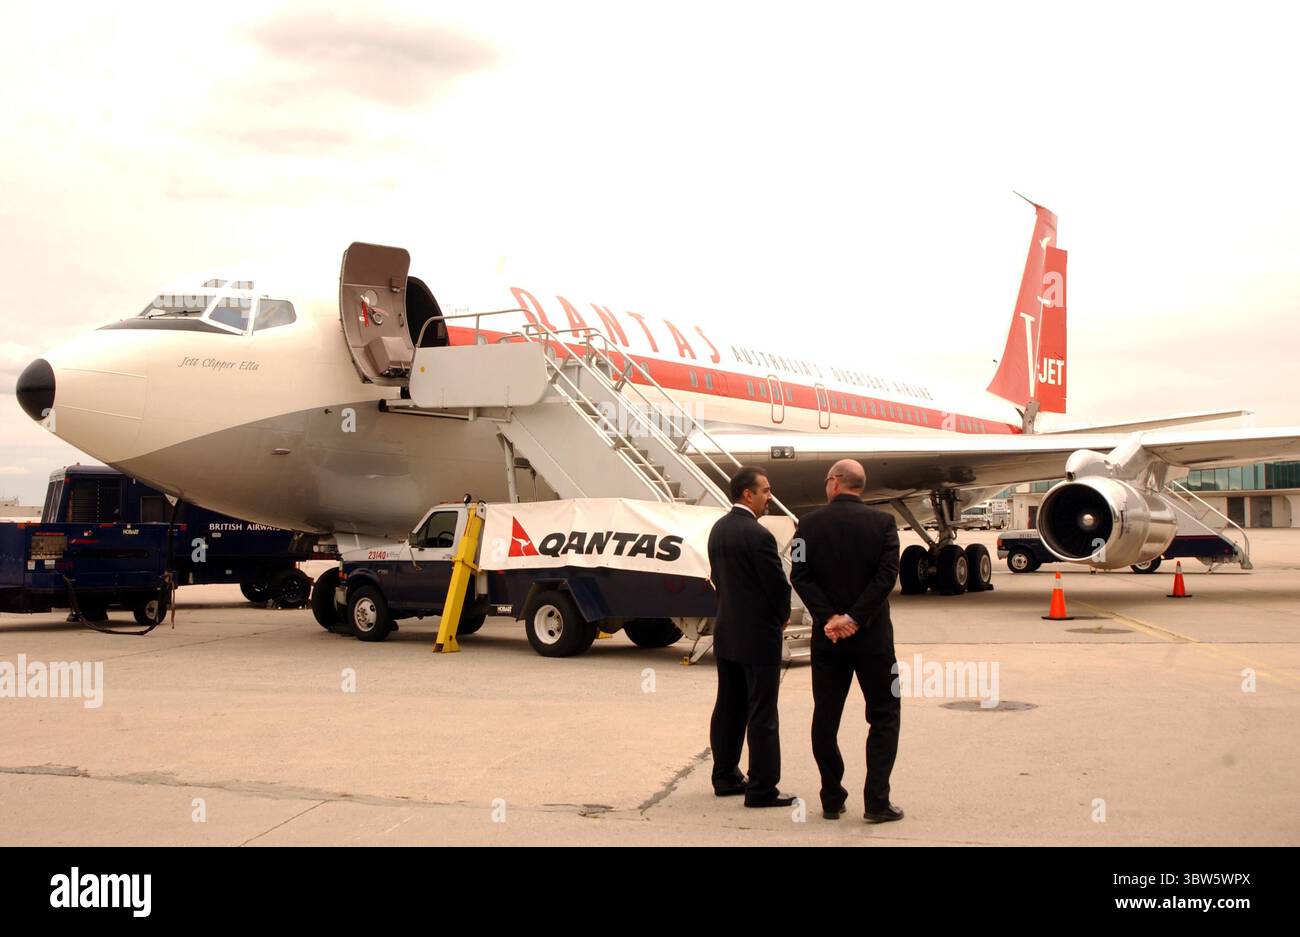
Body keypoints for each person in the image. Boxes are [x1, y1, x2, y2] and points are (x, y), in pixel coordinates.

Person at [790, 459, 903, 823]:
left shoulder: (804, 525)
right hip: (875, 641)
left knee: (825, 717)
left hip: (829, 641)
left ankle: (831, 797)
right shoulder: (885, 524)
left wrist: (831, 618)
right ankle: (877, 801)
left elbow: (799, 575)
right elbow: (887, 576)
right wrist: (855, 617)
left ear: (835, 483)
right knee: (885, 715)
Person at [707, 465, 796, 808]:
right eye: (766, 491)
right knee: (762, 712)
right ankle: (762, 788)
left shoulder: (718, 529)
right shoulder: (759, 536)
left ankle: (725, 776)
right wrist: (782, 615)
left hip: (728, 632)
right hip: (758, 637)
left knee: (728, 707)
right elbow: (776, 585)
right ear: (749, 494)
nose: (769, 497)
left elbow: (717, 578)